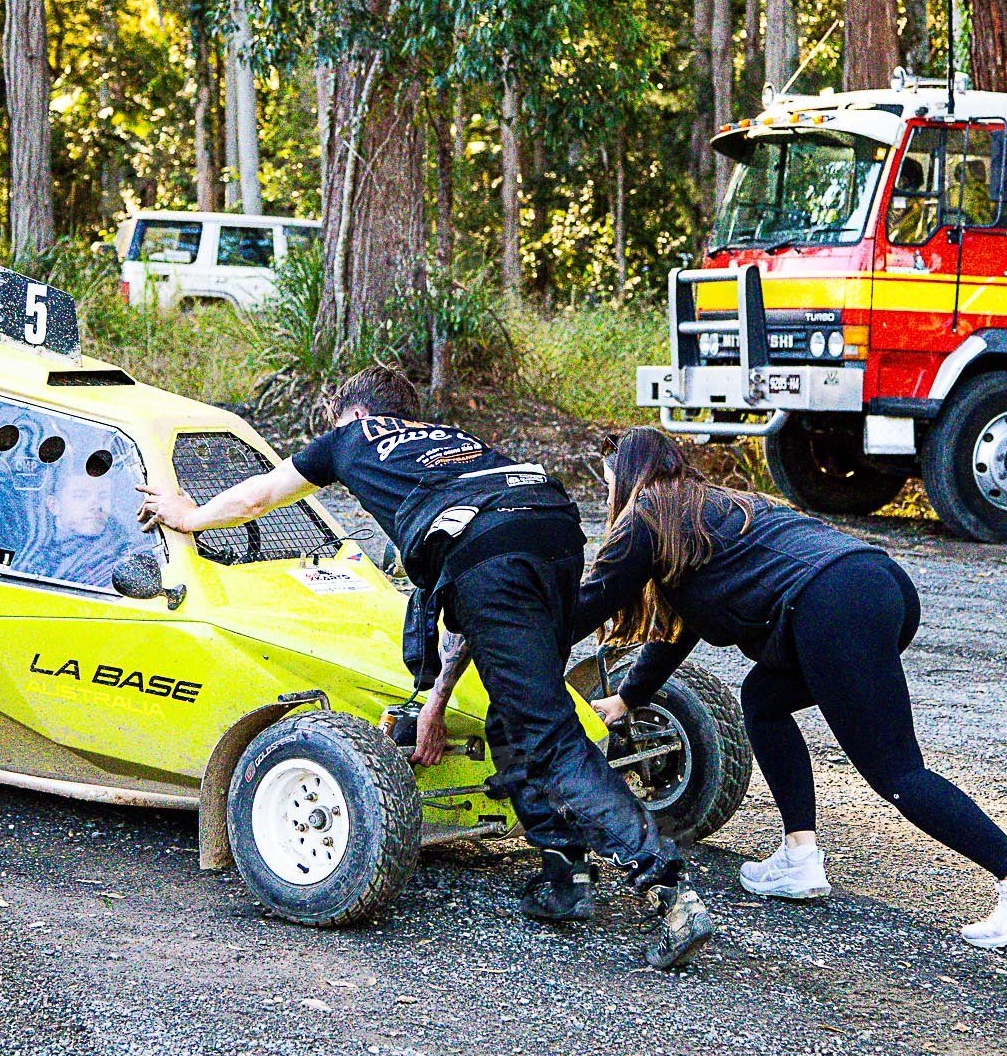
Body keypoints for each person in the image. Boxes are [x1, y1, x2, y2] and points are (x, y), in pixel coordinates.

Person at [137, 368, 715, 968]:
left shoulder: (352, 438)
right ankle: (563, 876)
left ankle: (670, 889)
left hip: (491, 550)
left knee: (548, 735)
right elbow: (469, 606)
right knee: (515, 711)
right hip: (553, 526)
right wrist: (436, 700)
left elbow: (259, 497)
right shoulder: (453, 442)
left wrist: (190, 515)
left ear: (354, 414)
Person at [572, 427, 1007, 950]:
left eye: (610, 484)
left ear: (631, 478)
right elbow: (680, 628)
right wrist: (629, 697)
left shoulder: (647, 515)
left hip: (833, 605)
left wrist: (526, 635)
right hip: (876, 583)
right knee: (764, 699)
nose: (609, 497)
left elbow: (592, 601)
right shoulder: (708, 509)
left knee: (898, 772)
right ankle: (799, 857)